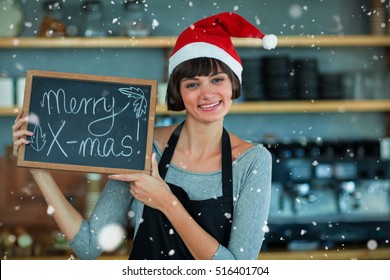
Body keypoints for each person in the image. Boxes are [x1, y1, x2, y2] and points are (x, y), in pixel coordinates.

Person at [12, 12, 276, 260]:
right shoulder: (143, 145)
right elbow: (89, 246)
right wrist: (37, 168)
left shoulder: (252, 161)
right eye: (192, 84)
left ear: (233, 84)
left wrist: (166, 202)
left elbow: (238, 268)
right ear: (178, 92)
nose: (207, 93)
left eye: (217, 80)